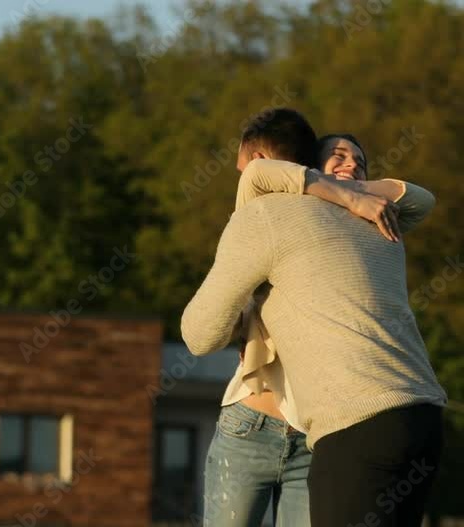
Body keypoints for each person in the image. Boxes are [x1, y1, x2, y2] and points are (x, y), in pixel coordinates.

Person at [184, 108, 447, 526]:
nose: (351, 167)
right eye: (338, 158)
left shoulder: (273, 215)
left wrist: (345, 192)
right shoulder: (384, 226)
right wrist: (351, 194)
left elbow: (199, 338)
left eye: (359, 162)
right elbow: (421, 199)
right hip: (421, 416)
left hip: (354, 422)